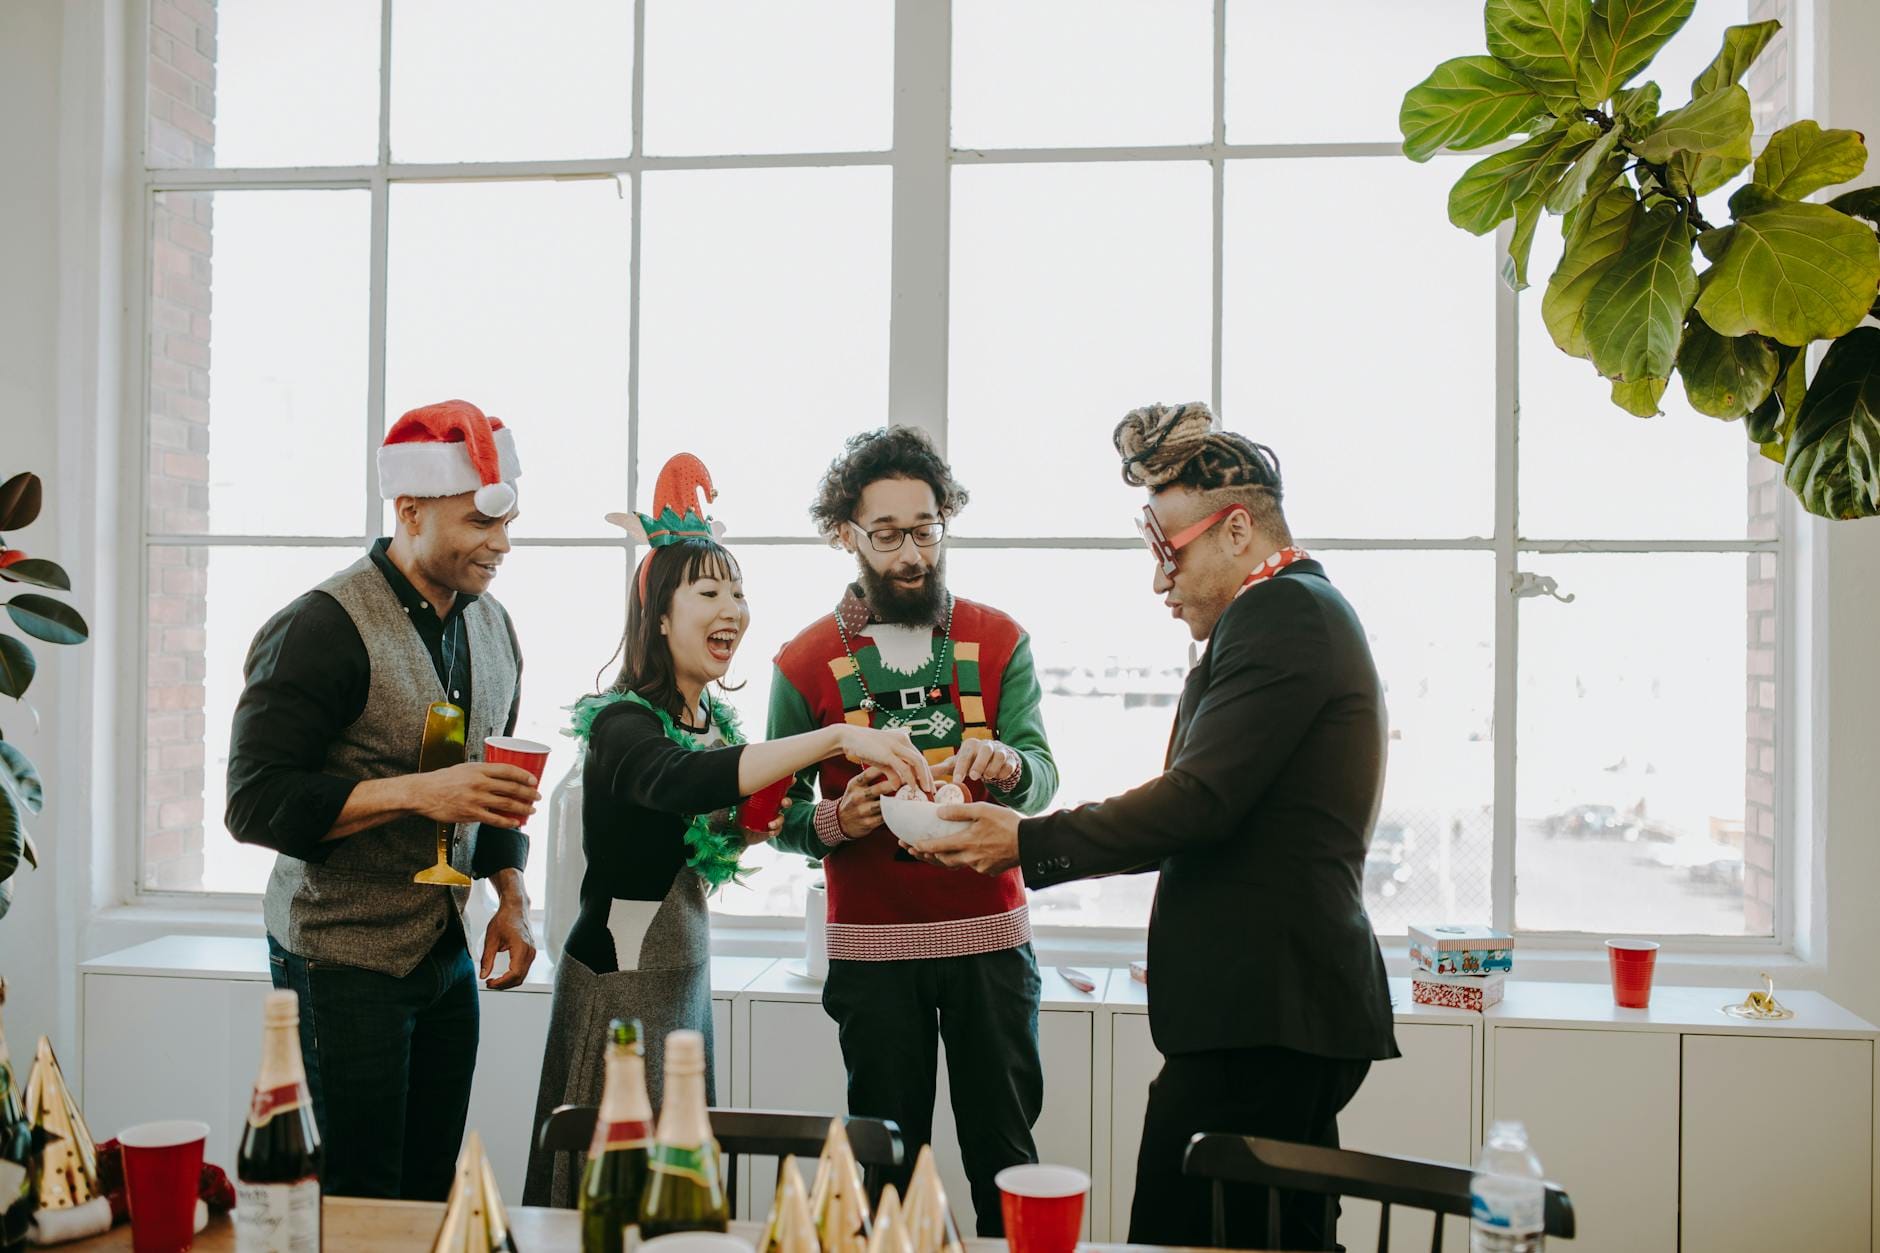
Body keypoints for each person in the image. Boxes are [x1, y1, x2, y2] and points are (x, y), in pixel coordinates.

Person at [915, 402, 1399, 1249]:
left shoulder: (1284, 615)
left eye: (1169, 552)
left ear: (1238, 529)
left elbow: (1197, 802)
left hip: (1267, 1019)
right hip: (1267, 1015)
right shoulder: (1288, 616)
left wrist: (1021, 839)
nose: (1159, 580)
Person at [522, 454, 933, 1208]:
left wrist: (808, 818)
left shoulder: (714, 723)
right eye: (708, 591)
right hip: (621, 972)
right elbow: (678, 781)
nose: (733, 610)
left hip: (685, 963)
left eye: (739, 593)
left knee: (675, 1166)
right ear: (659, 615)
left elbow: (721, 824)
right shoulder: (620, 724)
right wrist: (838, 737)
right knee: (615, 1181)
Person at [226, 399, 541, 1201]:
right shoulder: (319, 627)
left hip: (446, 958)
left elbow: (493, 781)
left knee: (431, 1191)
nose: (502, 544)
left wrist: (510, 892)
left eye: (506, 523)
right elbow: (254, 802)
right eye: (479, 523)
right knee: (359, 1199)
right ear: (409, 511)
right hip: (340, 961)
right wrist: (421, 793)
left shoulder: (496, 628)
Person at [766, 427, 1060, 1235]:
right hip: (873, 954)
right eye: (887, 533)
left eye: (925, 528)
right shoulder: (803, 663)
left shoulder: (1000, 640)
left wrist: (1006, 763)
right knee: (887, 1167)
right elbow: (770, 813)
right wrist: (835, 818)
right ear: (847, 536)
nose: (910, 554)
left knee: (1007, 1158)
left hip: (990, 944)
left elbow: (1043, 772)